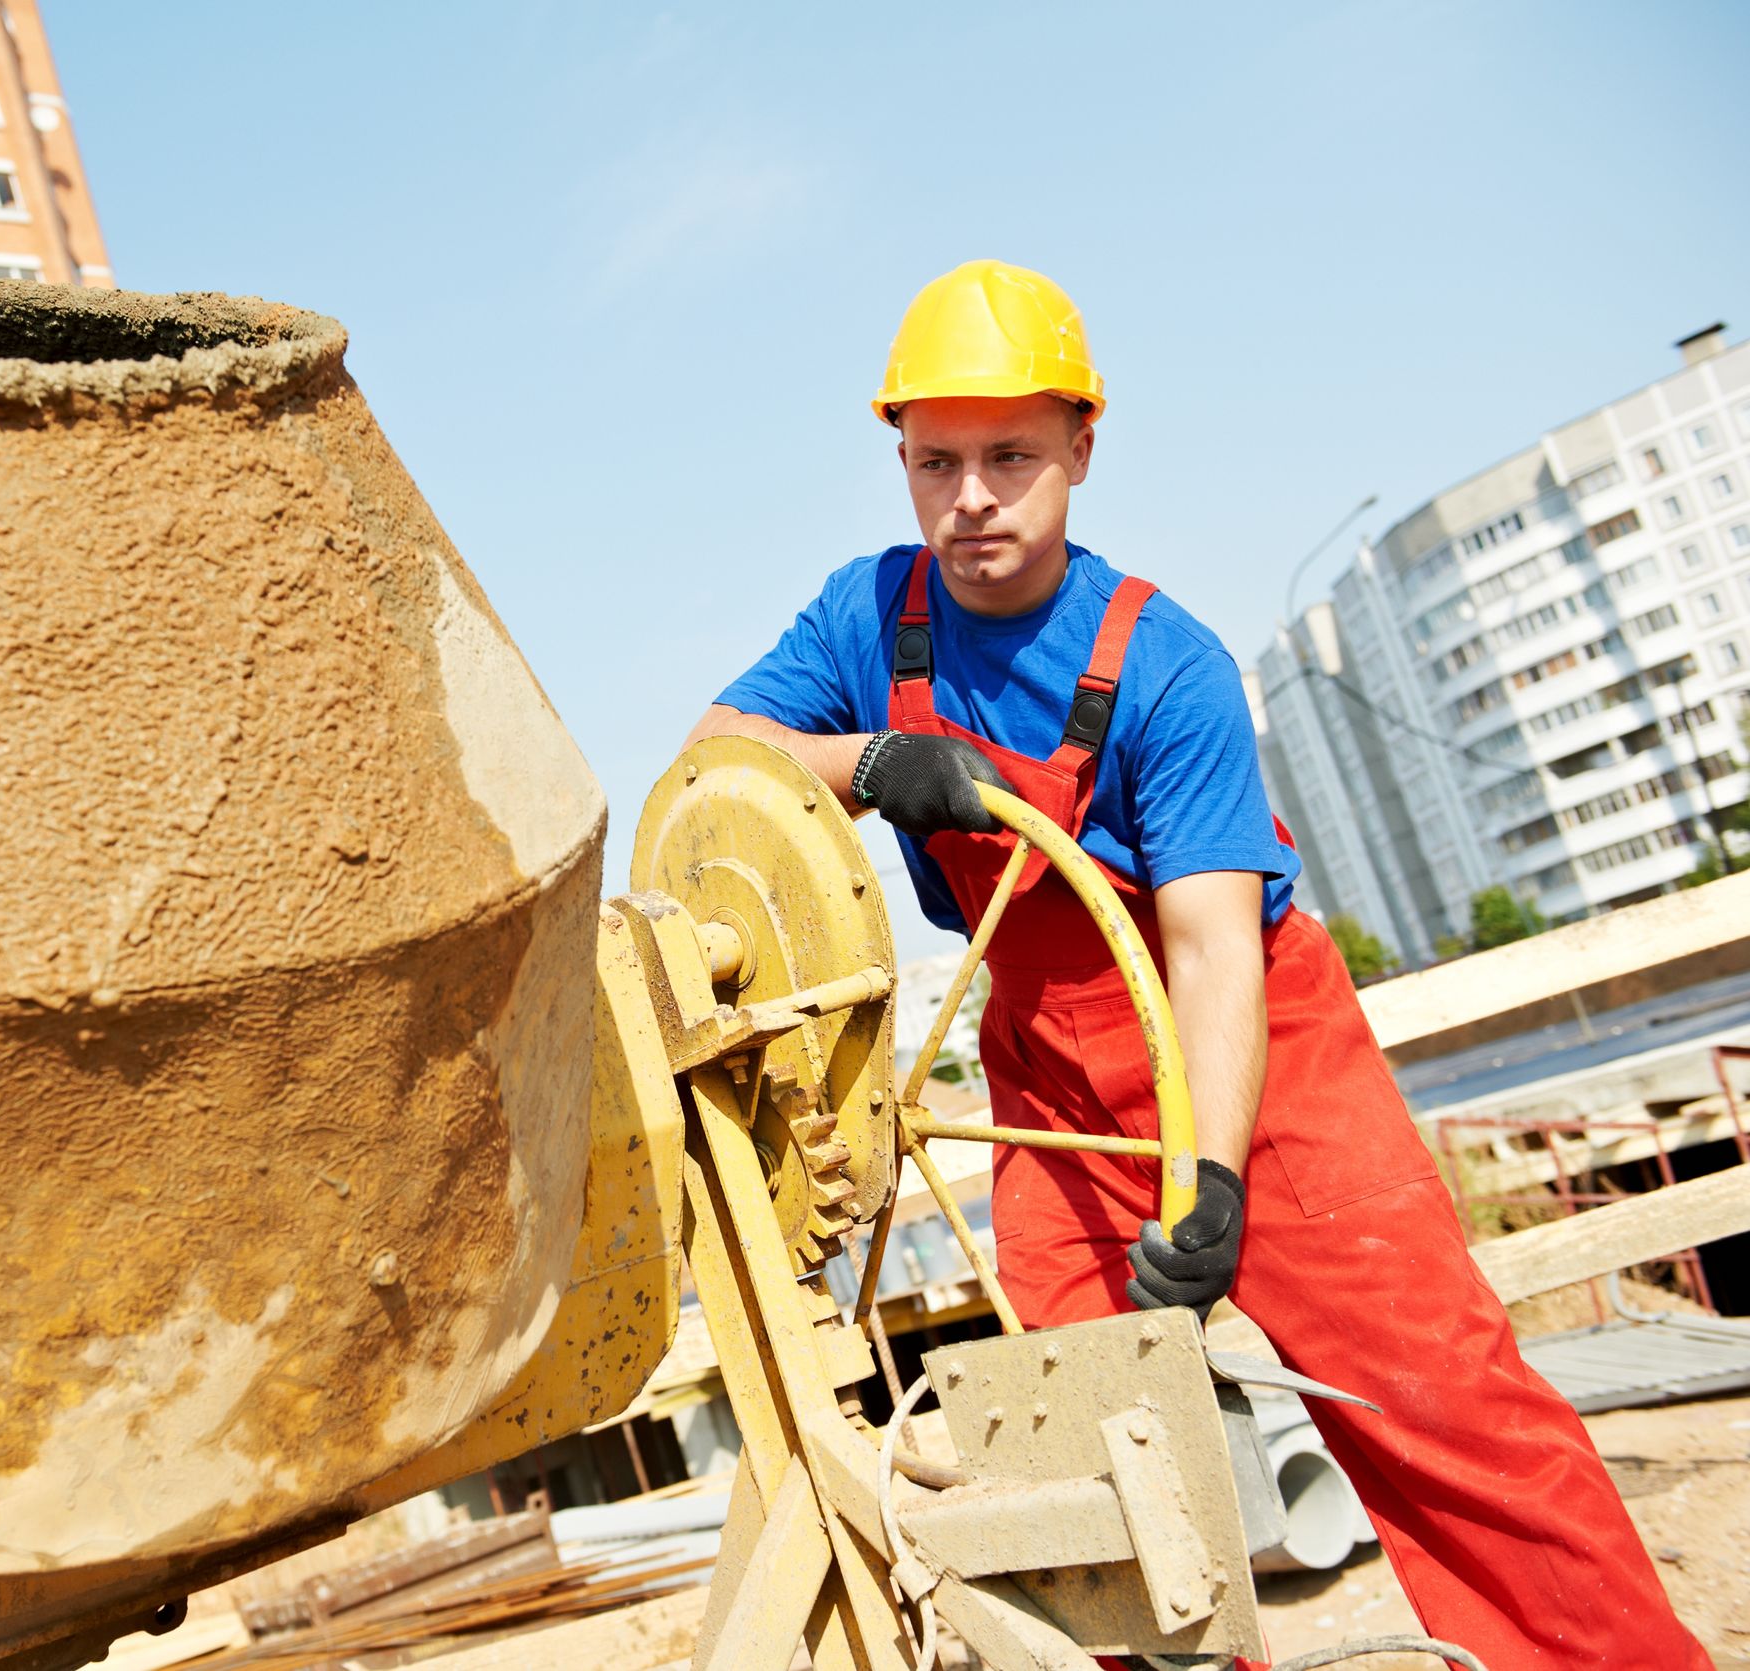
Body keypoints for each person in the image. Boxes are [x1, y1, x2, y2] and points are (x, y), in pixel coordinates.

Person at [689, 259, 1710, 1671]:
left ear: (1082, 451)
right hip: (1043, 1084)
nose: (972, 497)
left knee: (1438, 1413)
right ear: (903, 460)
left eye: (1010, 458)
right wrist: (858, 762)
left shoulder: (1166, 665)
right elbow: (713, 765)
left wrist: (1214, 1183)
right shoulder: (868, 620)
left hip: (1260, 1072)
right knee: (1076, 1456)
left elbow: (1214, 945)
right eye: (937, 462)